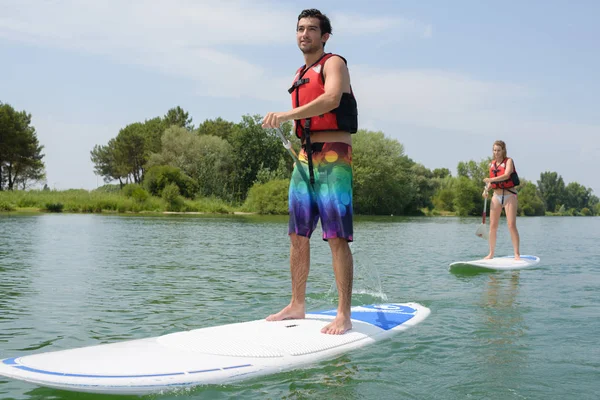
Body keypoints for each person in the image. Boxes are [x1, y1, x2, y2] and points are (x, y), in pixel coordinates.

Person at [261, 9, 358, 335]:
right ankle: (297, 304)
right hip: (305, 157)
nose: (304, 34)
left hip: (334, 156)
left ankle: (344, 314)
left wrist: (287, 115)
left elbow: (331, 99)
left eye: (312, 29)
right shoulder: (300, 72)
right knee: (297, 234)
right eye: (300, 29)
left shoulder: (334, 64)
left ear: (324, 35)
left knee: (336, 237)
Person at [482, 140, 520, 260]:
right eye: (494, 150)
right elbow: (490, 182)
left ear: (503, 150)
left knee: (511, 225)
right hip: (496, 196)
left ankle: (516, 254)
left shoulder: (509, 161)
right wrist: (486, 190)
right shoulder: (492, 164)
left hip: (509, 195)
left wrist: (490, 180)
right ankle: (491, 253)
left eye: (499, 150)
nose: (496, 153)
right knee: (493, 226)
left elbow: (507, 175)